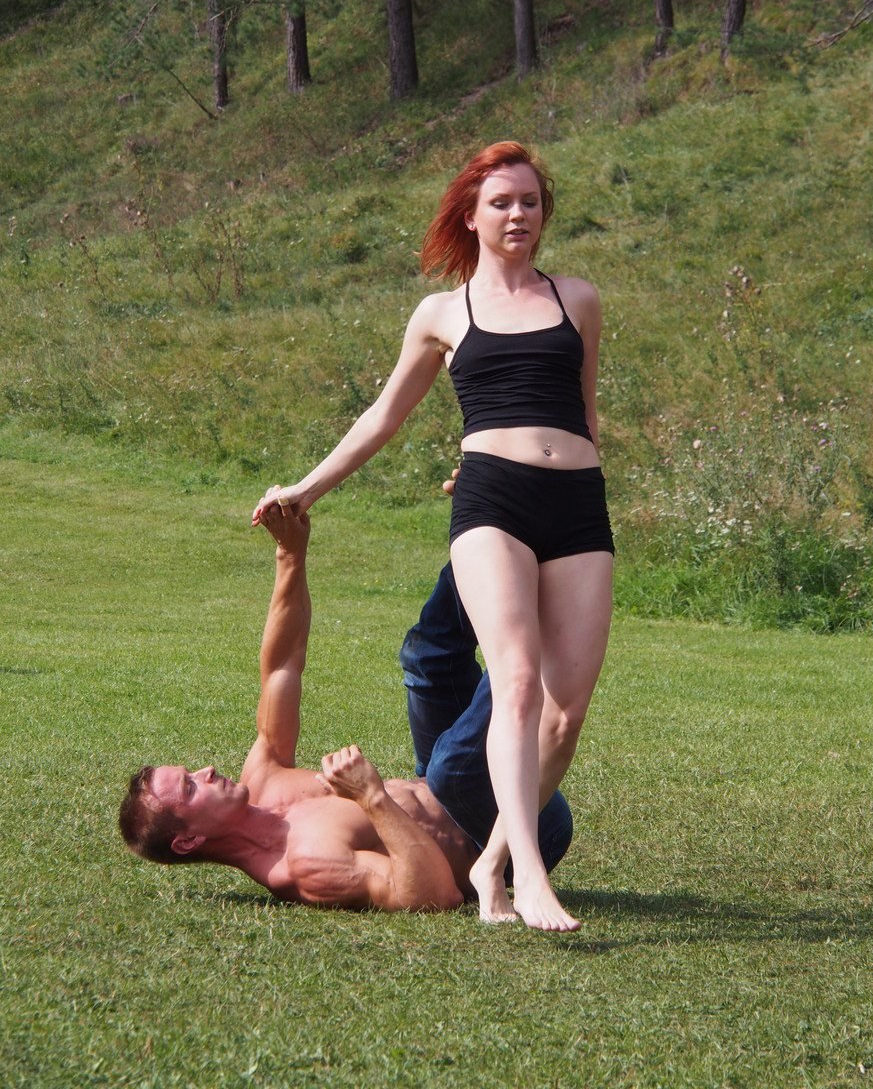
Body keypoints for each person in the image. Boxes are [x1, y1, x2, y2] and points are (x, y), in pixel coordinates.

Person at [252, 142, 614, 931]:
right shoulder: (443, 314)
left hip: (578, 506)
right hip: (492, 500)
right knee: (516, 681)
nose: (518, 215)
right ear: (470, 217)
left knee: (565, 714)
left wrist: (572, 471)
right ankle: (526, 883)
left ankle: (492, 860)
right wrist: (306, 487)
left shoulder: (578, 299)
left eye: (530, 202)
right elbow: (383, 416)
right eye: (501, 203)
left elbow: (583, 415)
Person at [119, 502, 573, 912]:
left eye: (191, 771)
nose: (206, 771)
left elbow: (281, 668)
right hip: (506, 830)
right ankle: (549, 601)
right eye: (191, 787)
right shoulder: (303, 866)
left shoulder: (263, 781)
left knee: (427, 658)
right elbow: (434, 894)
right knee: (450, 768)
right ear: (189, 840)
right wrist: (371, 797)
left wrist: (290, 555)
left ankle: (506, 521)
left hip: (451, 782)